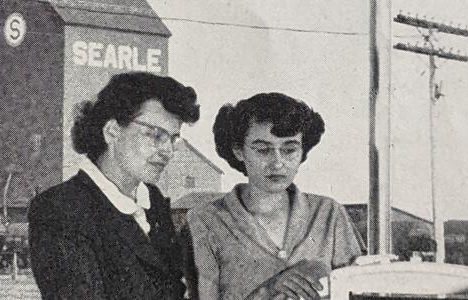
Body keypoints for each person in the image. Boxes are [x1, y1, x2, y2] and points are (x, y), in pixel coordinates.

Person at [27, 72, 200, 300]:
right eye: (156, 135)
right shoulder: (60, 209)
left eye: (173, 139)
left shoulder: (152, 202)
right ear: (112, 132)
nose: (167, 151)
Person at [188, 93, 364, 300]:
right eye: (263, 150)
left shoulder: (329, 214)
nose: (278, 163)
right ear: (239, 151)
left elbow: (358, 291)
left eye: (289, 150)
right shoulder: (205, 220)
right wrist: (267, 291)